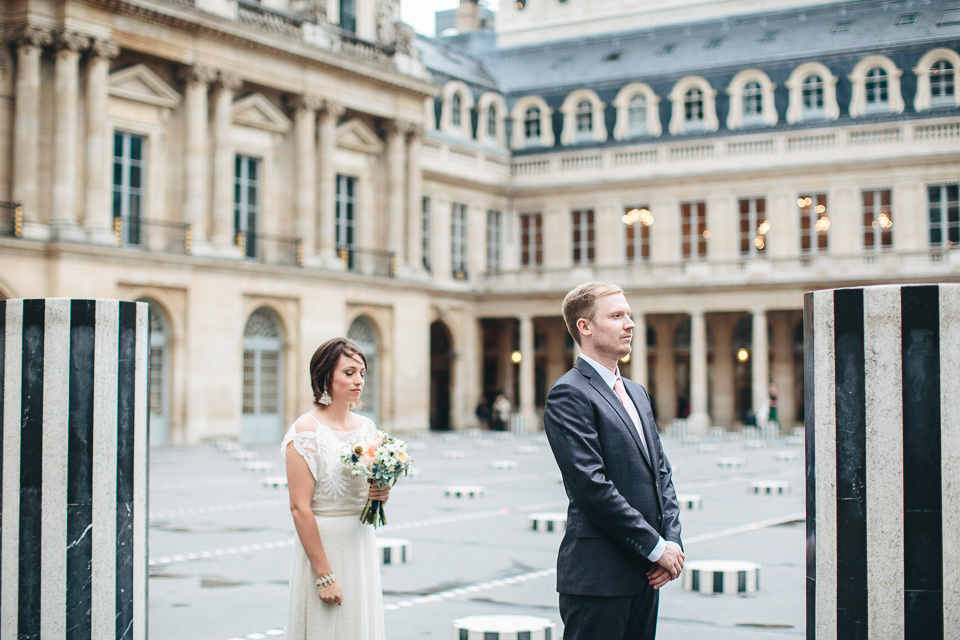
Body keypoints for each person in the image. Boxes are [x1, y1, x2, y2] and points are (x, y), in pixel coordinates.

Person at [543, 282, 684, 640]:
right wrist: (655, 546)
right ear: (585, 327)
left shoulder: (636, 391)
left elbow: (660, 473)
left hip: (645, 572)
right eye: (617, 315)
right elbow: (592, 486)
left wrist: (672, 543)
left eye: (629, 314)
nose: (630, 323)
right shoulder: (569, 393)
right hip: (598, 579)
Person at [281, 337, 391, 640]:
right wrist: (324, 575)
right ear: (325, 376)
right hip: (323, 547)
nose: (359, 381)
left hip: (360, 543)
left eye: (362, 373)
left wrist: (381, 494)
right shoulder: (305, 431)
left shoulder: (367, 428)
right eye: (349, 372)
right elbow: (299, 508)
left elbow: (368, 490)